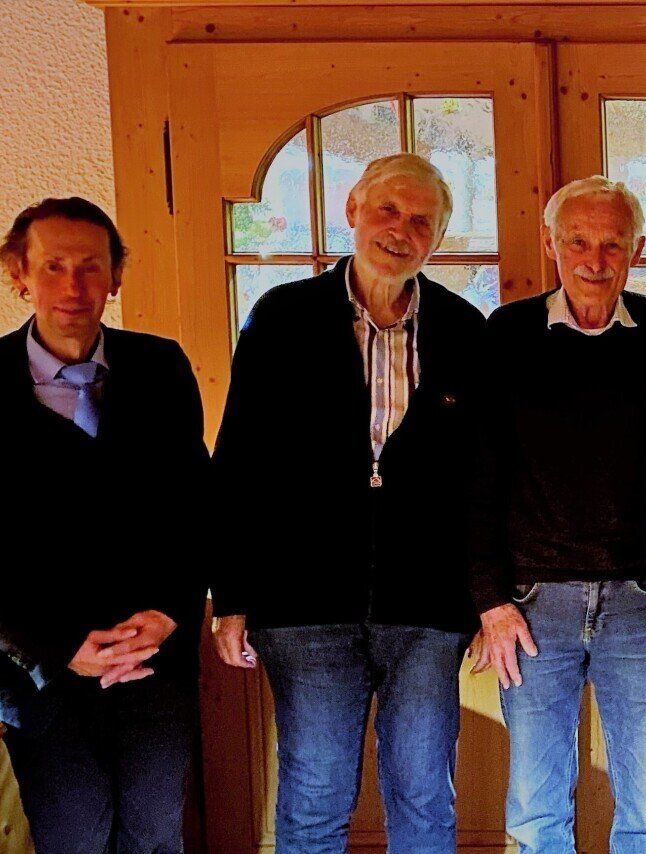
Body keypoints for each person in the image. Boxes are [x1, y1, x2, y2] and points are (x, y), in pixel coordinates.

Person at [0, 197, 208, 852]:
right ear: (19, 275)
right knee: (74, 836)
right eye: (53, 266)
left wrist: (168, 614)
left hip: (150, 659)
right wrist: (59, 646)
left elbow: (195, 507)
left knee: (156, 834)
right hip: (35, 667)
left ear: (115, 277)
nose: (73, 285)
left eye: (90, 266)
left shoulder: (161, 367)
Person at [211, 153, 485, 852]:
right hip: (303, 604)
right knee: (316, 793)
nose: (400, 230)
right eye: (388, 209)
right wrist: (232, 596)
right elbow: (238, 460)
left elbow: (484, 477)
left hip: (428, 607)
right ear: (353, 211)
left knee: (425, 792)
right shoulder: (282, 317)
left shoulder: (462, 328)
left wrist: (488, 597)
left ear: (437, 239)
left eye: (421, 221)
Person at [469, 176, 646, 854]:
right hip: (531, 605)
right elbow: (477, 474)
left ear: (637, 250)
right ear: (550, 245)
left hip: (644, 599)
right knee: (536, 809)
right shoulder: (508, 333)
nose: (594, 260)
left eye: (612, 244)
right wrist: (489, 600)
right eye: (577, 242)